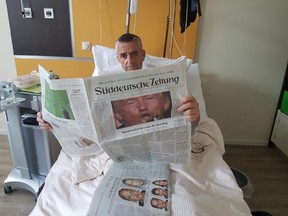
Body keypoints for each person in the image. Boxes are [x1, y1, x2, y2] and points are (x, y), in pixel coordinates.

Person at [37, 33, 200, 130]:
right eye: (123, 56)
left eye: (134, 54)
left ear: (143, 55)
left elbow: (188, 123)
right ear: (118, 59)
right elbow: (84, 122)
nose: (129, 60)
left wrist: (195, 115)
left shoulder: (165, 81)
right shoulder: (102, 83)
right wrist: (52, 123)